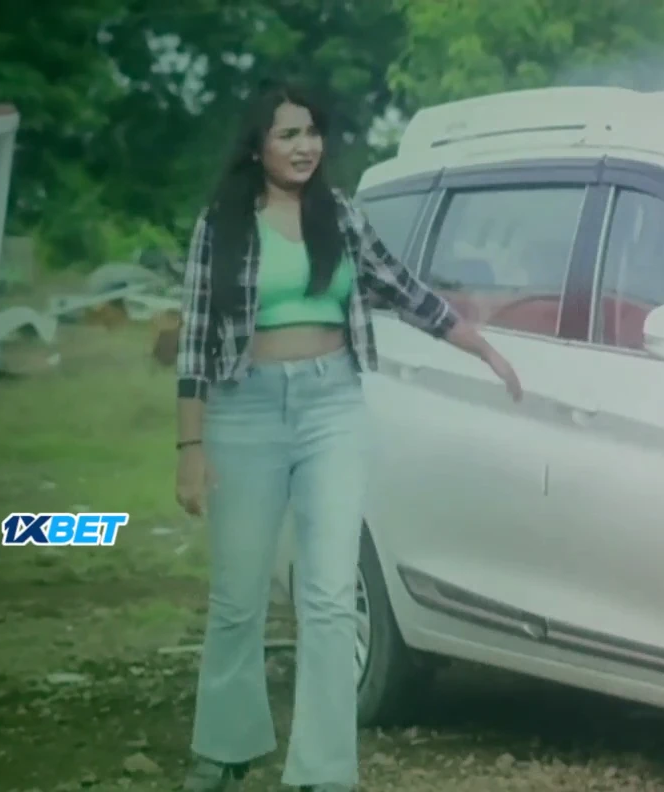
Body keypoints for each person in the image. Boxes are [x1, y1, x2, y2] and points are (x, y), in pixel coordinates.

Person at [172, 83, 523, 791]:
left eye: (311, 132)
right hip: (245, 411)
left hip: (332, 405)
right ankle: (224, 749)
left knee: (330, 595)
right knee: (238, 596)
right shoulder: (223, 224)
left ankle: (324, 771)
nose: (304, 146)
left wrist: (479, 345)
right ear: (257, 146)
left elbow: (404, 289)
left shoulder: (339, 216)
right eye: (287, 135)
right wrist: (190, 449)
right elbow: (193, 340)